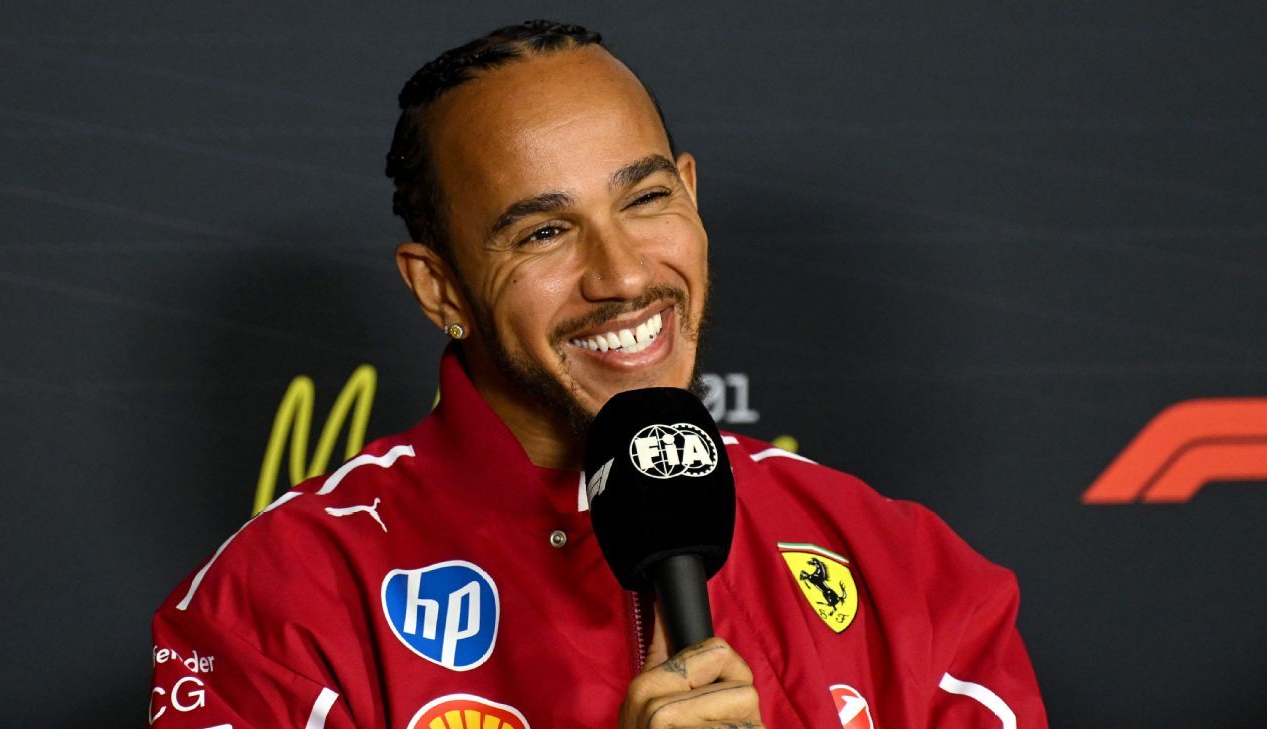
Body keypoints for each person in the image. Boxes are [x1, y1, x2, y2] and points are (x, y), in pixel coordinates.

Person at [148, 20, 1047, 728]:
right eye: (545, 232)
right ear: (439, 287)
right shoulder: (277, 607)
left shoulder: (908, 572)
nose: (621, 275)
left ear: (691, 195)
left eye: (646, 198)